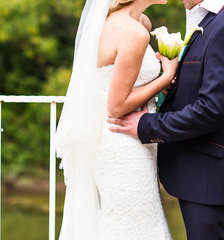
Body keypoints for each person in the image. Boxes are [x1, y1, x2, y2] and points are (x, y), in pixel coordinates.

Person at [108, 0, 224, 239]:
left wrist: (145, 125)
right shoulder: (212, 19)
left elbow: (212, 110)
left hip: (215, 182)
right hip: (202, 176)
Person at [54, 0, 178, 239]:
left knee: (134, 221)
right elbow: (117, 105)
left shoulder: (137, 22)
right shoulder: (134, 32)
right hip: (124, 143)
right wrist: (167, 76)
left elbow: (127, 82)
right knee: (133, 225)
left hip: (128, 138)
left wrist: (156, 86)